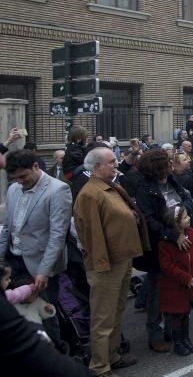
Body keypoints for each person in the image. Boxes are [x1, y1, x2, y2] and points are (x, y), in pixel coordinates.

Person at [73, 147, 146, 375]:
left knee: (116, 310)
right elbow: (92, 235)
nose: (117, 164)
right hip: (106, 265)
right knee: (103, 317)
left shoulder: (111, 187)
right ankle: (99, 366)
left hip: (121, 260)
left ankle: (112, 355)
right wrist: (102, 267)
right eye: (112, 161)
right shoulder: (89, 194)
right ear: (97, 167)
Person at [0, 149, 72, 342]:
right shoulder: (14, 188)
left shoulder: (58, 190)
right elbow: (7, 227)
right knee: (16, 313)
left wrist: (44, 271)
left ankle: (55, 355)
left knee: (46, 314)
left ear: (35, 166)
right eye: (15, 178)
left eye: (23, 176)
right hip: (13, 261)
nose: (19, 181)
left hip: (41, 266)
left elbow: (57, 235)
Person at [134, 149, 193, 353]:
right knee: (157, 292)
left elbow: (187, 199)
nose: (171, 165)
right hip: (160, 244)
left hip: (180, 238)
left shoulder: (173, 181)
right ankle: (155, 333)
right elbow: (149, 220)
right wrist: (172, 233)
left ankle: (173, 330)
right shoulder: (144, 188)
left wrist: (180, 213)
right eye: (167, 162)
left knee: (176, 287)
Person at [158, 205, 193, 355]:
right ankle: (178, 342)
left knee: (186, 312)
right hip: (175, 286)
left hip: (190, 283)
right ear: (175, 223)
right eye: (185, 217)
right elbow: (167, 267)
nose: (189, 218)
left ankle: (186, 339)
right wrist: (188, 278)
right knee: (177, 314)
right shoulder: (165, 243)